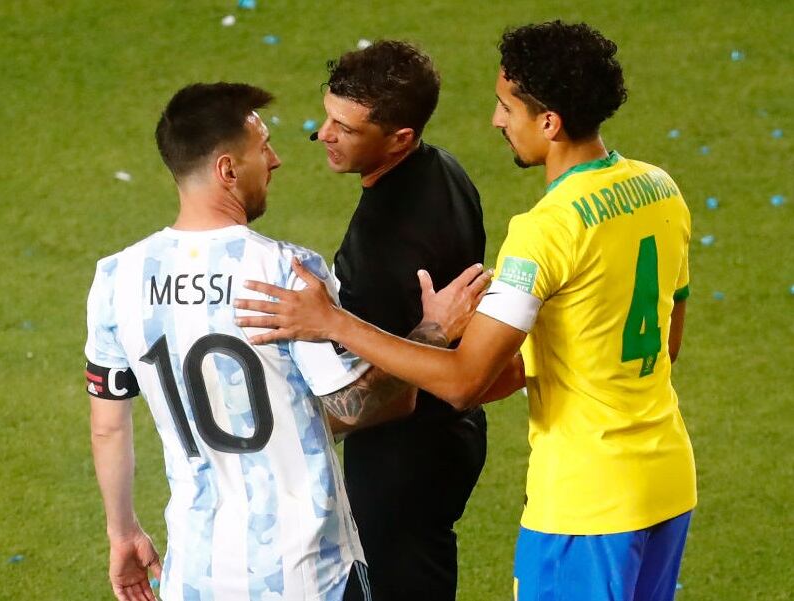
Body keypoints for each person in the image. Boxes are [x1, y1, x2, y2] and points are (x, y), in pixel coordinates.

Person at [237, 21, 696, 601]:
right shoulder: (660, 188)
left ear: (549, 122)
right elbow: (667, 340)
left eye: (507, 107)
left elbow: (461, 383)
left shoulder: (546, 232)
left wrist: (331, 321)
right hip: (667, 480)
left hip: (587, 502)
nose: (496, 121)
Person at [84, 82, 489, 601]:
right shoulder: (286, 272)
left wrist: (122, 536)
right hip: (306, 573)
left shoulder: (117, 277)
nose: (275, 160)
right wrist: (431, 332)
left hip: (195, 575)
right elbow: (359, 405)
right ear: (228, 170)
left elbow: (108, 427)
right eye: (263, 147)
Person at [311, 40, 489, 600]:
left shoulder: (385, 244)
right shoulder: (446, 170)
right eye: (327, 116)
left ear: (399, 138)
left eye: (345, 127)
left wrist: (294, 423)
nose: (323, 134)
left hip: (402, 460)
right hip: (452, 436)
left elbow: (390, 397)